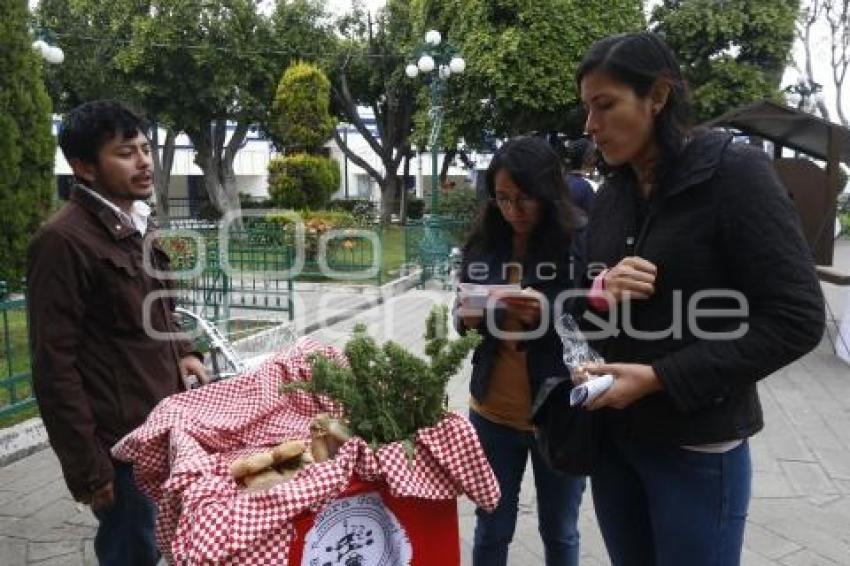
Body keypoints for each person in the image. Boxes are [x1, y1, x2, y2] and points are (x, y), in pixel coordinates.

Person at [574, 32, 825, 565]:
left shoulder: (734, 175)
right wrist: (597, 297)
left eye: (605, 105)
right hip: (616, 440)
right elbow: (580, 294)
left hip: (696, 447)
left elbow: (798, 317)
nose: (590, 126)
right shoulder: (613, 193)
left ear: (658, 97)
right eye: (586, 108)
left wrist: (662, 377)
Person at [27, 100, 209, 566]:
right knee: (132, 550)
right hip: (119, 441)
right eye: (126, 152)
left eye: (145, 148)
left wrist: (184, 351)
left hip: (162, 419)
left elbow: (156, 304)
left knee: (170, 539)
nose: (144, 161)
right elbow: (54, 366)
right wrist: (90, 471)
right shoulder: (64, 241)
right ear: (84, 166)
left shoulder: (135, 221)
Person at [453, 136, 586, 566]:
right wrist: (467, 317)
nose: (513, 211)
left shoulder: (578, 240)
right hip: (492, 411)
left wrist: (547, 310)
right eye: (502, 199)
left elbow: (599, 315)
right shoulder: (484, 244)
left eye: (524, 198)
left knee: (560, 531)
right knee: (492, 526)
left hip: (559, 411)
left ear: (547, 191)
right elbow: (462, 314)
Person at [564, 138, 597, 213]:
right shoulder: (590, 186)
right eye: (594, 154)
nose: (596, 158)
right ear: (587, 158)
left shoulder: (561, 181)